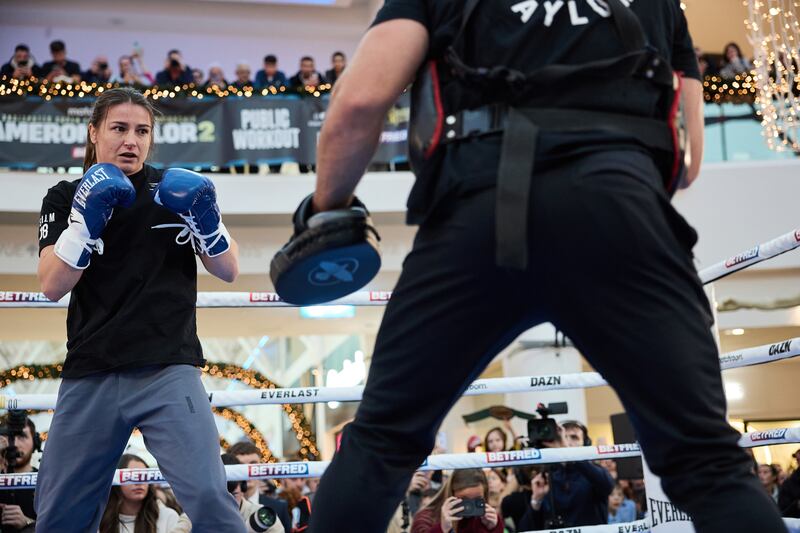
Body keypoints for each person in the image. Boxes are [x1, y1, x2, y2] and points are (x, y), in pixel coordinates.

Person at [299, 1, 789, 532]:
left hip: (475, 217)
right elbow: (689, 160)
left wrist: (325, 213)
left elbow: (360, 101)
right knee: (708, 463)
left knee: (381, 446)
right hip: (621, 212)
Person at [33, 86, 244, 532]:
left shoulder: (177, 191)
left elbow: (228, 269)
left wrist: (207, 220)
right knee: (60, 515)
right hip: (92, 372)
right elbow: (53, 284)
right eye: (120, 128)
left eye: (142, 130)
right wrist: (84, 220)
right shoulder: (65, 194)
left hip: (168, 369)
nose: (131, 139)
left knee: (209, 498)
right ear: (94, 132)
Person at [98, 454, 181, 533]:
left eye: (144, 477)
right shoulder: (100, 519)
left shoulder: (168, 516)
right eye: (132, 477)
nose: (139, 483)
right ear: (117, 481)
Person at [227, 441, 292, 533]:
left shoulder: (279, 507)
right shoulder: (217, 509)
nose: (247, 471)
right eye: (241, 466)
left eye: (253, 464)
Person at [410, 469, 502, 533]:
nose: (469, 506)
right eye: (464, 499)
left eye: (477, 499)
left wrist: (492, 529)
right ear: (451, 493)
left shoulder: (485, 518)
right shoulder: (426, 519)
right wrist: (442, 528)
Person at [0, 415, 40, 532]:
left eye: (22, 436)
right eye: (9, 436)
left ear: (35, 442)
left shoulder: (45, 483)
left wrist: (28, 523)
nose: (15, 443)